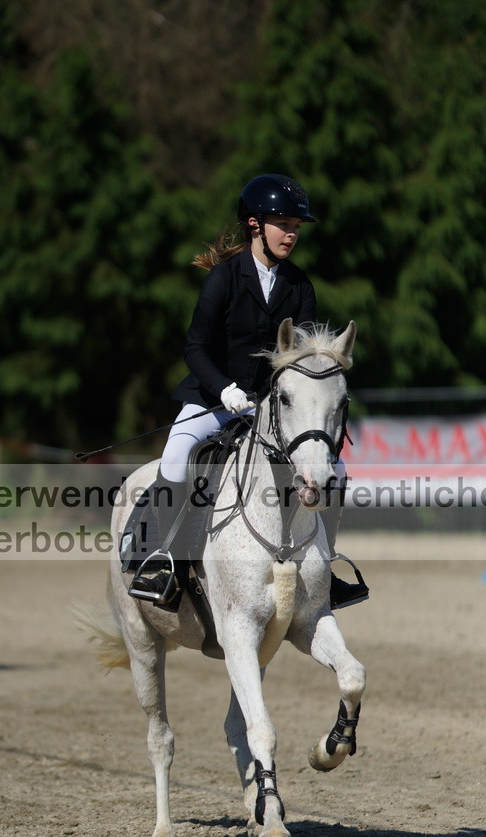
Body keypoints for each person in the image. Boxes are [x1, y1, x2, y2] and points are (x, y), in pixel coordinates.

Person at [129, 173, 368, 610]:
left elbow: (302, 358)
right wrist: (223, 390)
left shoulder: (300, 285)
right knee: (178, 453)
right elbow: (195, 347)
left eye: (297, 225)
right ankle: (162, 559)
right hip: (212, 399)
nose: (292, 233)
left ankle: (325, 568)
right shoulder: (223, 279)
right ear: (255, 224)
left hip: (272, 409)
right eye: (284, 223)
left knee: (338, 471)